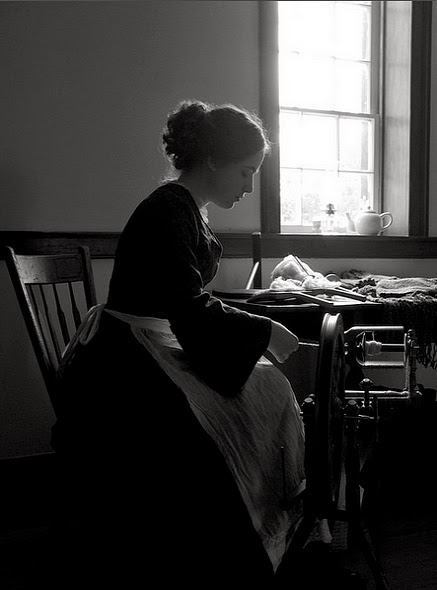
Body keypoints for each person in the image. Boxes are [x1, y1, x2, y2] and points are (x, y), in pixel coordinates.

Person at [50, 99, 302, 587]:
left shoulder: (186, 209)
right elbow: (186, 305)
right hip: (119, 365)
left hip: (143, 344)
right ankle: (222, 542)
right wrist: (263, 331)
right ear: (212, 160)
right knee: (262, 395)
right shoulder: (169, 209)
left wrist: (253, 328)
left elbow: (185, 300)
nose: (250, 186)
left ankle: (251, 524)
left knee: (265, 387)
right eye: (246, 172)